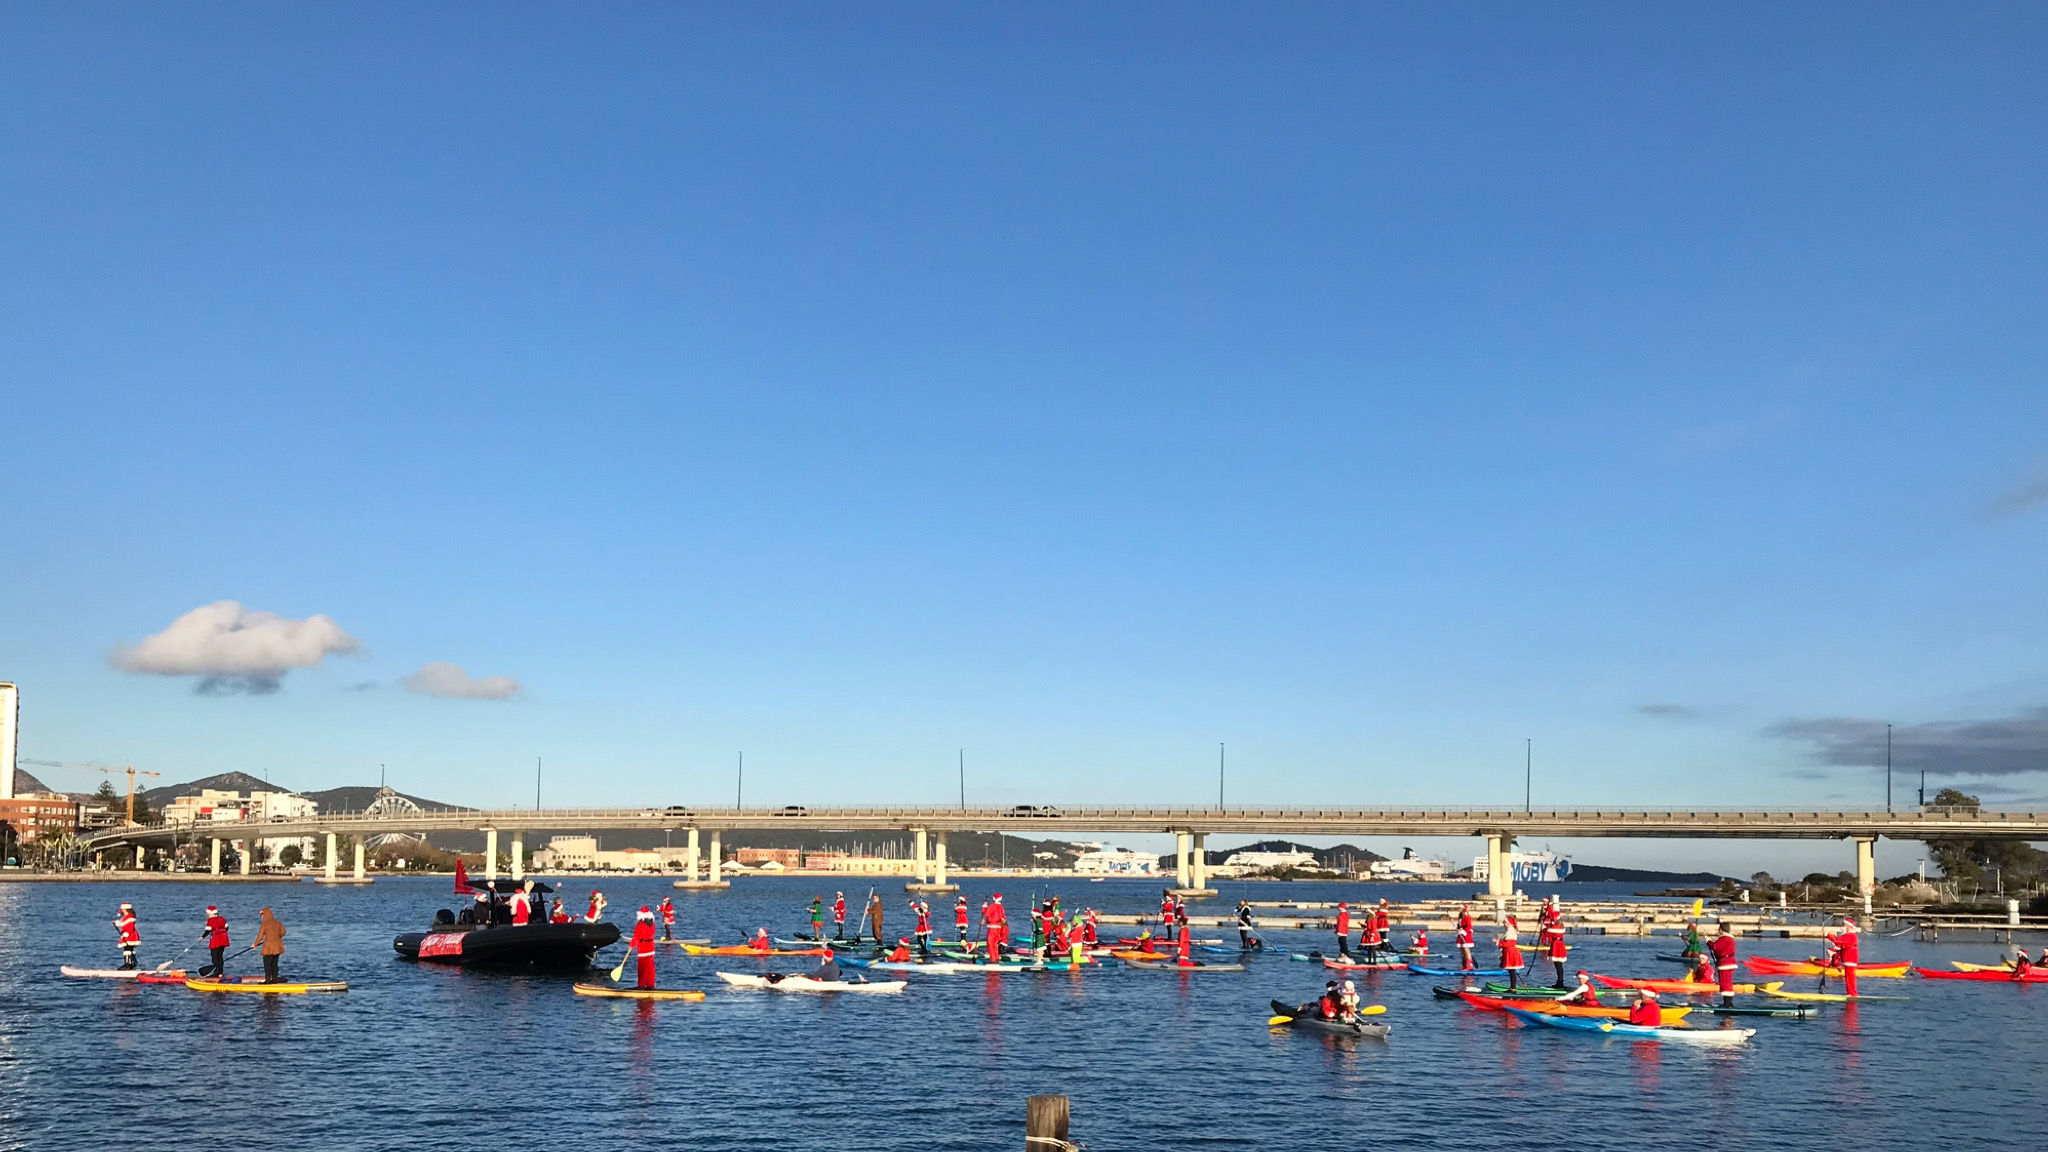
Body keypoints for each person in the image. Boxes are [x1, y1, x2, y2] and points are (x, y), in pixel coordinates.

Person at [1823, 915, 1860, 997]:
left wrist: (1827, 934)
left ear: (1848, 927)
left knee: (1850, 977)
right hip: (1848, 958)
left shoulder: (1851, 936)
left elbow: (1837, 940)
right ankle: (1850, 992)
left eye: (1844, 926)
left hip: (1850, 958)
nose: (1843, 927)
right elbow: (1838, 943)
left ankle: (1853, 993)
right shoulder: (1848, 936)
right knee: (1848, 977)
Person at [1709, 921, 1739, 1006]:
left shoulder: (1724, 938)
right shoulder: (1731, 939)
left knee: (1724, 983)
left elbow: (1715, 947)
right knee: (1728, 982)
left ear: (1722, 930)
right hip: (1730, 962)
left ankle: (1727, 1003)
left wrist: (1709, 941)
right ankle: (1729, 1002)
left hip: (1725, 963)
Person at [254, 907, 286, 984]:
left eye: (262, 915)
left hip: (268, 947)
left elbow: (260, 937)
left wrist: (255, 944)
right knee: (274, 964)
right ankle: (274, 980)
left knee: (267, 964)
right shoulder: (278, 923)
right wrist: (277, 937)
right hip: (278, 946)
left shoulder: (264, 924)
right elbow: (283, 932)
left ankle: (267, 980)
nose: (261, 917)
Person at [629, 907, 658, 989]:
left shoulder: (640, 925)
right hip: (651, 947)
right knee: (650, 967)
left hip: (643, 948)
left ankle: (641, 985)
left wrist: (631, 945)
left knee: (642, 967)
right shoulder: (653, 924)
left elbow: (637, 936)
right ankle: (650, 985)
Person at [199, 905, 229, 978]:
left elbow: (208, 930)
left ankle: (216, 972)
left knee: (214, 956)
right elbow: (226, 928)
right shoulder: (222, 918)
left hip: (216, 939)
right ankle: (220, 973)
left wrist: (202, 937)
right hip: (224, 938)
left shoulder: (211, 920)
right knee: (220, 956)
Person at [1497, 918, 1523, 989]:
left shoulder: (1510, 931)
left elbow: (1507, 943)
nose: (1504, 924)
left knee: (1512, 971)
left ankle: (1513, 987)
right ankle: (1512, 986)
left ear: (1508, 923)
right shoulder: (1510, 931)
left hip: (1511, 953)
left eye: (1505, 922)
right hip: (1510, 952)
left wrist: (1497, 942)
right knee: (1511, 971)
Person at [113, 902, 140, 970]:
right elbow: (123, 924)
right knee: (129, 949)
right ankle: (132, 963)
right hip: (128, 935)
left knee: (127, 949)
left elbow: (130, 926)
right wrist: (116, 923)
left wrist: (126, 933)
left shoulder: (129, 917)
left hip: (129, 935)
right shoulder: (127, 917)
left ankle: (128, 964)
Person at [1456, 904, 1476, 970]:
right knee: (1462, 950)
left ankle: (1469, 965)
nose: (1459, 909)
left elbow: (1469, 926)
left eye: (1460, 908)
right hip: (1461, 935)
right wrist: (1457, 928)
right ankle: (1464, 965)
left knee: (1466, 949)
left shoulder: (1467, 917)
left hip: (1466, 935)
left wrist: (1464, 931)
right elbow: (1460, 926)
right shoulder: (1460, 917)